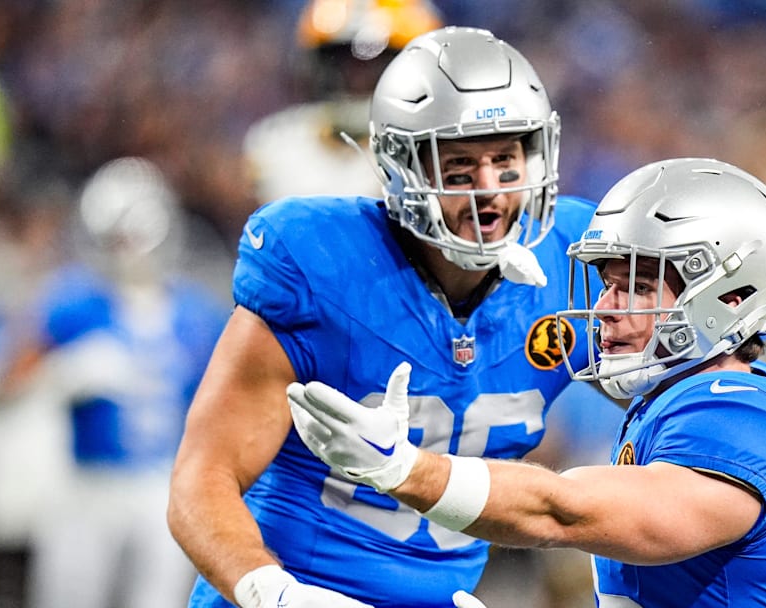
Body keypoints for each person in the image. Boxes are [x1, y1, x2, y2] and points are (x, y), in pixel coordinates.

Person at [290, 158, 766, 607]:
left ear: (730, 298)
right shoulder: (673, 405)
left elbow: (564, 511)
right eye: (607, 283)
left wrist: (406, 470)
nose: (606, 308)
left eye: (634, 286)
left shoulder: (745, 415)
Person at [167, 26, 601, 608]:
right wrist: (274, 593)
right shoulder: (321, 262)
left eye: (506, 159)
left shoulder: (575, 258)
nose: (490, 192)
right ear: (401, 167)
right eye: (459, 167)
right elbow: (202, 480)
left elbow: (681, 408)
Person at [0, 156, 228, 608]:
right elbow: (3, 388)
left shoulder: (196, 314)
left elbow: (223, 408)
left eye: (131, 236)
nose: (124, 249)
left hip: (162, 486)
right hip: (89, 487)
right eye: (114, 238)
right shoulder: (72, 301)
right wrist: (59, 377)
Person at [243, 0, 443, 203]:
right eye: (342, 62)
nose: (356, 79)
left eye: (375, 64)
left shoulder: (434, 148)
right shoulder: (277, 144)